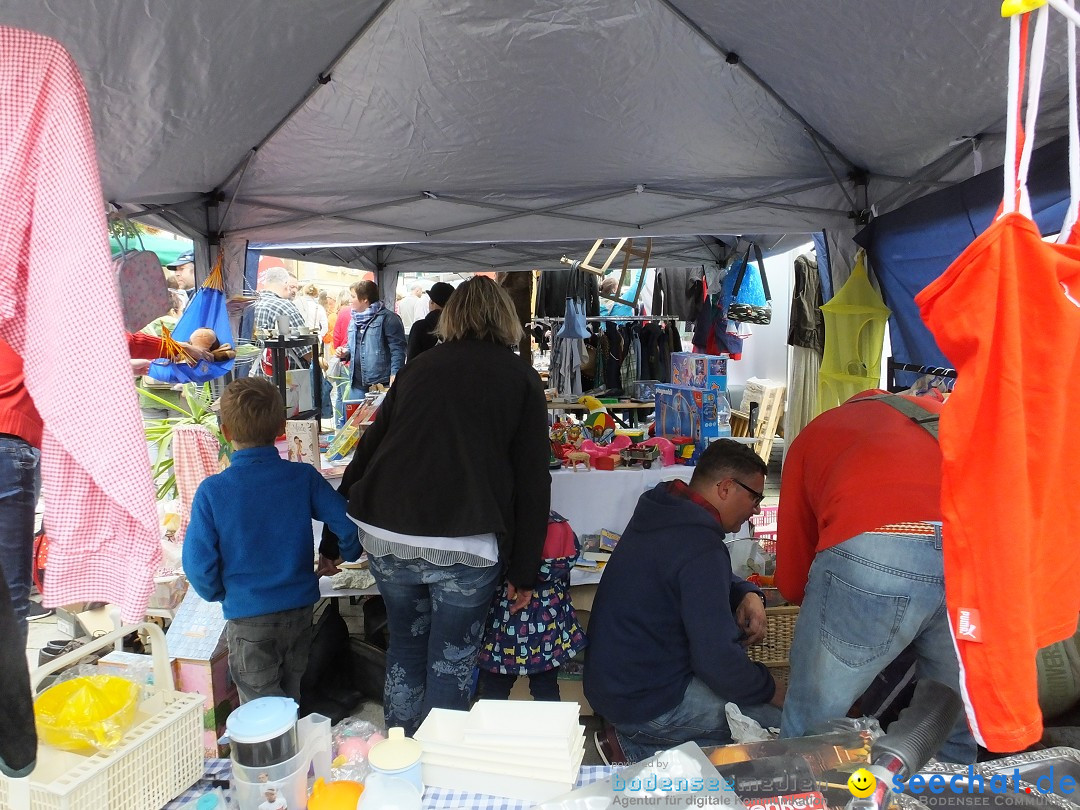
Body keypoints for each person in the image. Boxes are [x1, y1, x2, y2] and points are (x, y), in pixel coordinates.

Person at [320, 276, 550, 734]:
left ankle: (400, 757)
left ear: (453, 316)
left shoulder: (419, 369)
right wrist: (526, 571)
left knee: (406, 648)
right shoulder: (519, 376)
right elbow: (532, 479)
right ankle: (439, 772)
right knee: (451, 661)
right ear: (505, 318)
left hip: (388, 533)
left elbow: (366, 455)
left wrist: (331, 541)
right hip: (465, 541)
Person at [775, 390, 976, 764]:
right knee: (947, 718)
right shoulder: (940, 415)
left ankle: (804, 796)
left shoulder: (819, 432)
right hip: (976, 550)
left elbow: (791, 578)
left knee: (813, 725)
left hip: (881, 546)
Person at [583, 439, 783, 762]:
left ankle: (642, 740)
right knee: (779, 724)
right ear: (726, 488)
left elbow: (681, 572)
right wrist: (772, 688)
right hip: (645, 703)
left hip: (611, 684)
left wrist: (745, 590)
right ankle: (636, 747)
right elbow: (718, 663)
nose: (757, 508)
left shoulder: (663, 506)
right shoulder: (701, 546)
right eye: (755, 497)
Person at [182, 378, 361, 703]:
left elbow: (197, 566)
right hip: (299, 611)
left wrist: (222, 593)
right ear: (281, 427)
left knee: (262, 715)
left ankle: (282, 751)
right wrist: (341, 555)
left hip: (249, 618)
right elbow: (348, 525)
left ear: (225, 432)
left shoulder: (212, 492)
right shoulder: (302, 477)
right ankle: (295, 748)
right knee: (291, 696)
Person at [476, 511, 587, 701]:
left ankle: (492, 728)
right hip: (548, 629)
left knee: (495, 687)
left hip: (505, 625)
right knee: (545, 687)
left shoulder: (502, 524)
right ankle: (552, 730)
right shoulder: (559, 524)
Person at [334, 280, 406, 400]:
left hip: (379, 385)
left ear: (365, 299)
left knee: (377, 419)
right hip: (356, 383)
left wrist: (395, 374)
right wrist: (345, 351)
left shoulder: (388, 319)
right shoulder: (354, 319)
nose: (349, 300)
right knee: (355, 418)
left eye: (353, 296)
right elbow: (354, 345)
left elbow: (398, 349)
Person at [250, 267, 309, 375]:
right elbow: (306, 351)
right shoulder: (284, 306)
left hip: (255, 378)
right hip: (286, 380)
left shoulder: (250, 304)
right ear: (286, 284)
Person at [406, 281, 454, 361]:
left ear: (432, 302)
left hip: (424, 371)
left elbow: (411, 360)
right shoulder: (459, 327)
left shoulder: (420, 327)